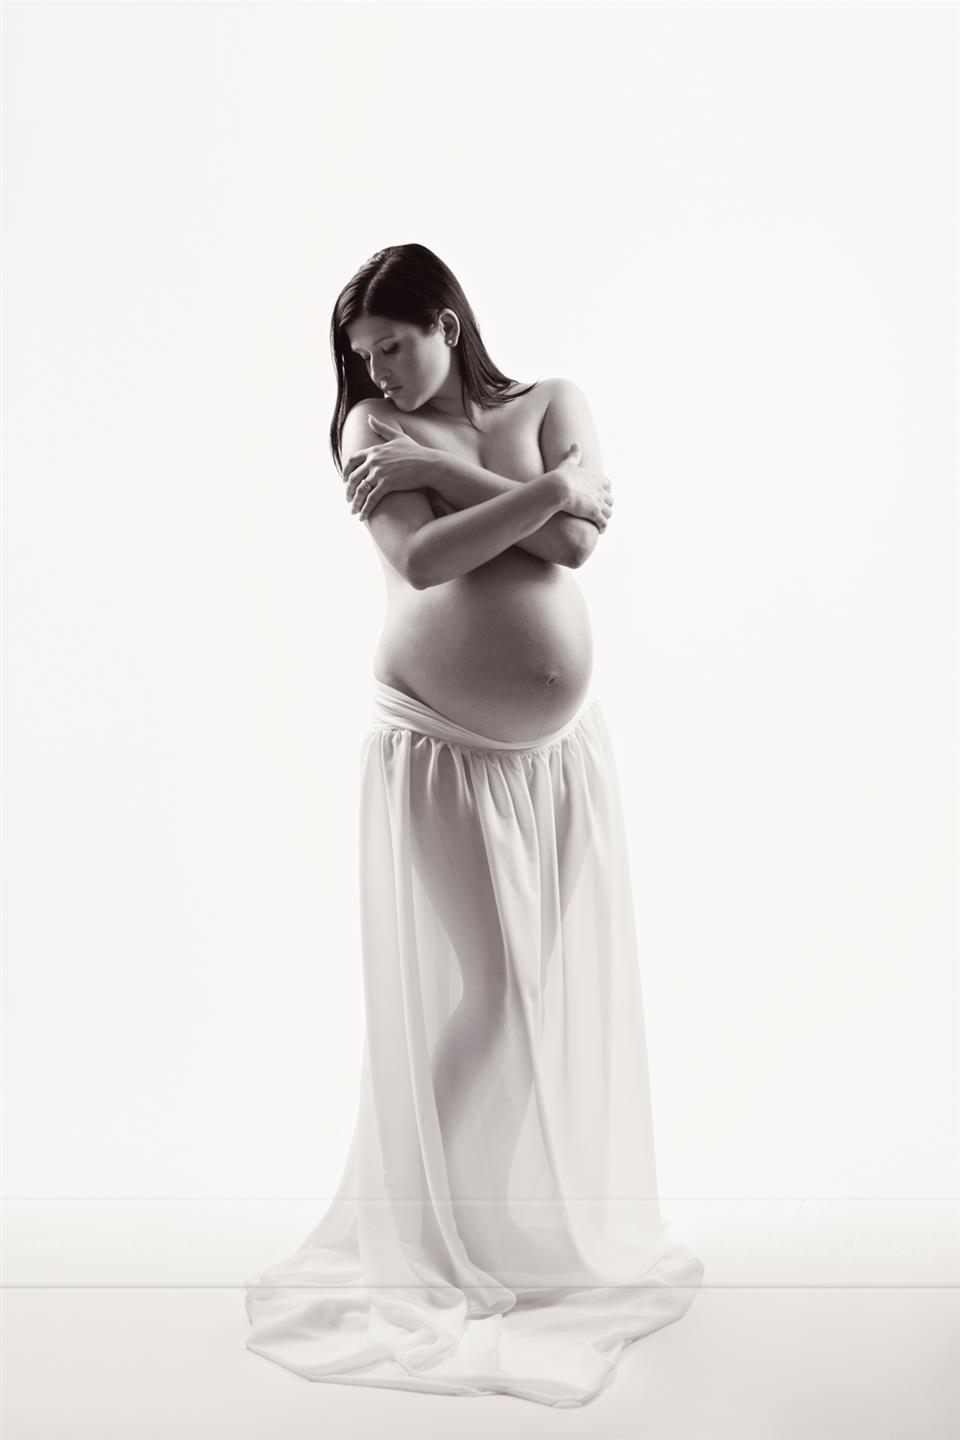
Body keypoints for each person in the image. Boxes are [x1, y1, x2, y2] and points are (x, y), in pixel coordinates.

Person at [244, 243, 704, 1406]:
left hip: (554, 758)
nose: (376, 373)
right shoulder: (371, 432)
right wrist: (544, 492)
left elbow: (578, 547)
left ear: (446, 324)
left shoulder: (551, 401)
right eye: (362, 357)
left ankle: (486, 1220)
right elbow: (423, 558)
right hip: (440, 747)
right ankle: (414, 1225)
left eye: (392, 346)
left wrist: (465, 479)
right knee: (492, 991)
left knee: (533, 986)